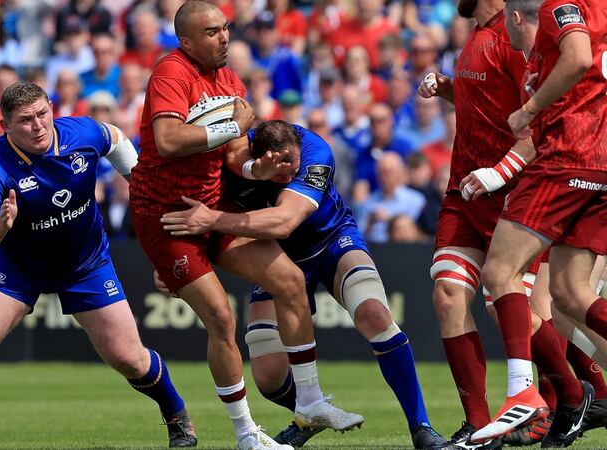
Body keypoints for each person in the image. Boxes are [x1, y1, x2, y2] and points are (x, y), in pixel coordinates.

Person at [0, 82, 197, 450]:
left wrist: (138, 180)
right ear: (5, 126)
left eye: (43, 114)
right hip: (20, 263)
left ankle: (178, 417)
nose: (39, 125)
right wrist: (0, 224)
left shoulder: (82, 132)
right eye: (25, 120)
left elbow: (114, 138)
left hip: (85, 262)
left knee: (129, 359)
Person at [129, 2, 361, 449]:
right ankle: (245, 433)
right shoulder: (171, 72)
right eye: (213, 31)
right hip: (169, 217)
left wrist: (260, 169)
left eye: (226, 29)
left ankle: (310, 400)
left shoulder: (228, 78)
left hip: (214, 202)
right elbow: (168, 140)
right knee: (220, 317)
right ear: (187, 41)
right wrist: (232, 126)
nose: (224, 38)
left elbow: (235, 154)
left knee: (291, 281)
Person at [161, 120, 453, 450]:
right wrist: (176, 265)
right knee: (268, 375)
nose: (289, 178)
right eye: (281, 173)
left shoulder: (317, 152)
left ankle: (422, 428)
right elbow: (202, 215)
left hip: (331, 239)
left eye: (293, 168)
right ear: (259, 161)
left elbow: (284, 221)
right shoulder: (233, 162)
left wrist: (213, 220)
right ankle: (310, 413)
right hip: (277, 256)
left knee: (374, 314)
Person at [417, 0, 590, 446]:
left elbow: (540, 124)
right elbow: (488, 102)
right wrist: (448, 88)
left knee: (510, 306)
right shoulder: (477, 35)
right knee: (447, 293)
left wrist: (501, 172)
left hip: (511, 191)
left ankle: (571, 394)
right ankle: (477, 426)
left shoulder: (518, 39)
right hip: (464, 189)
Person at [472, 0, 607, 444]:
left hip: (569, 157)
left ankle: (522, 394)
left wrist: (530, 108)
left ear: (513, 18)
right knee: (570, 292)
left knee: (498, 272)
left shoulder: (560, 5)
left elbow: (578, 57)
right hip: (599, 165)